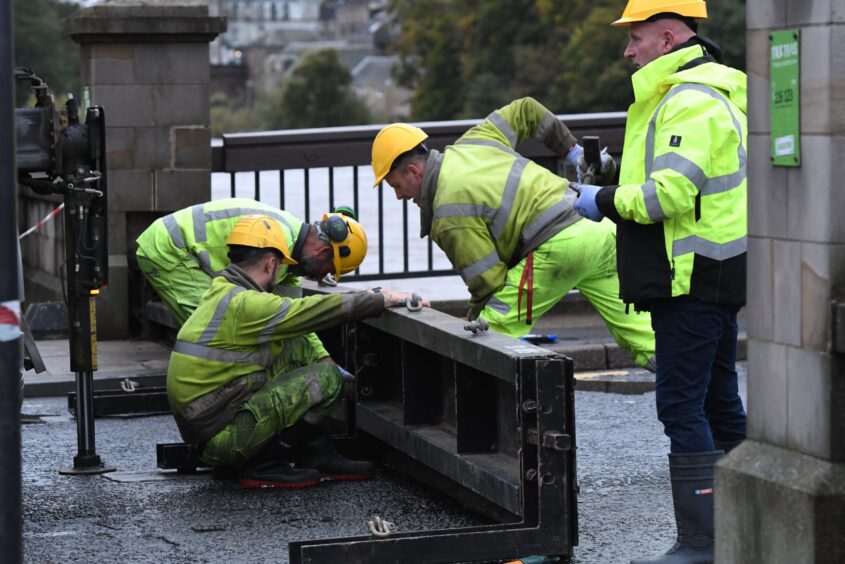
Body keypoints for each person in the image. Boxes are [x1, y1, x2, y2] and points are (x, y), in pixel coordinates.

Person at [572, 1, 748, 562]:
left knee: (680, 406)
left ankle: (703, 542)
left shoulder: (687, 100)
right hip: (714, 273)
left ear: (668, 38)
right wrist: (613, 171)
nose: (628, 50)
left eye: (636, 38)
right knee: (718, 401)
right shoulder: (707, 92)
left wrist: (600, 200)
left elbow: (667, 195)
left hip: (690, 279)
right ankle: (748, 526)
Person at [370, 97, 656, 370]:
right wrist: (575, 153)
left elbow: (487, 283)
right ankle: (695, 393)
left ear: (413, 172)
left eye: (396, 186)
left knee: (488, 337)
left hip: (557, 246)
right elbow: (526, 110)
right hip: (598, 228)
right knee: (647, 339)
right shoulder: (475, 141)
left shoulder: (448, 213)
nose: (398, 196)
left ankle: (478, 419)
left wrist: (473, 320)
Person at [166, 214, 423, 489]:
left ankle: (317, 452)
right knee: (327, 379)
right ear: (270, 263)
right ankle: (263, 466)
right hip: (220, 437)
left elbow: (296, 330)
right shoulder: (245, 304)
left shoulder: (222, 290)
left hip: (211, 422)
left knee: (295, 344)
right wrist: (379, 299)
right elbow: (308, 311)